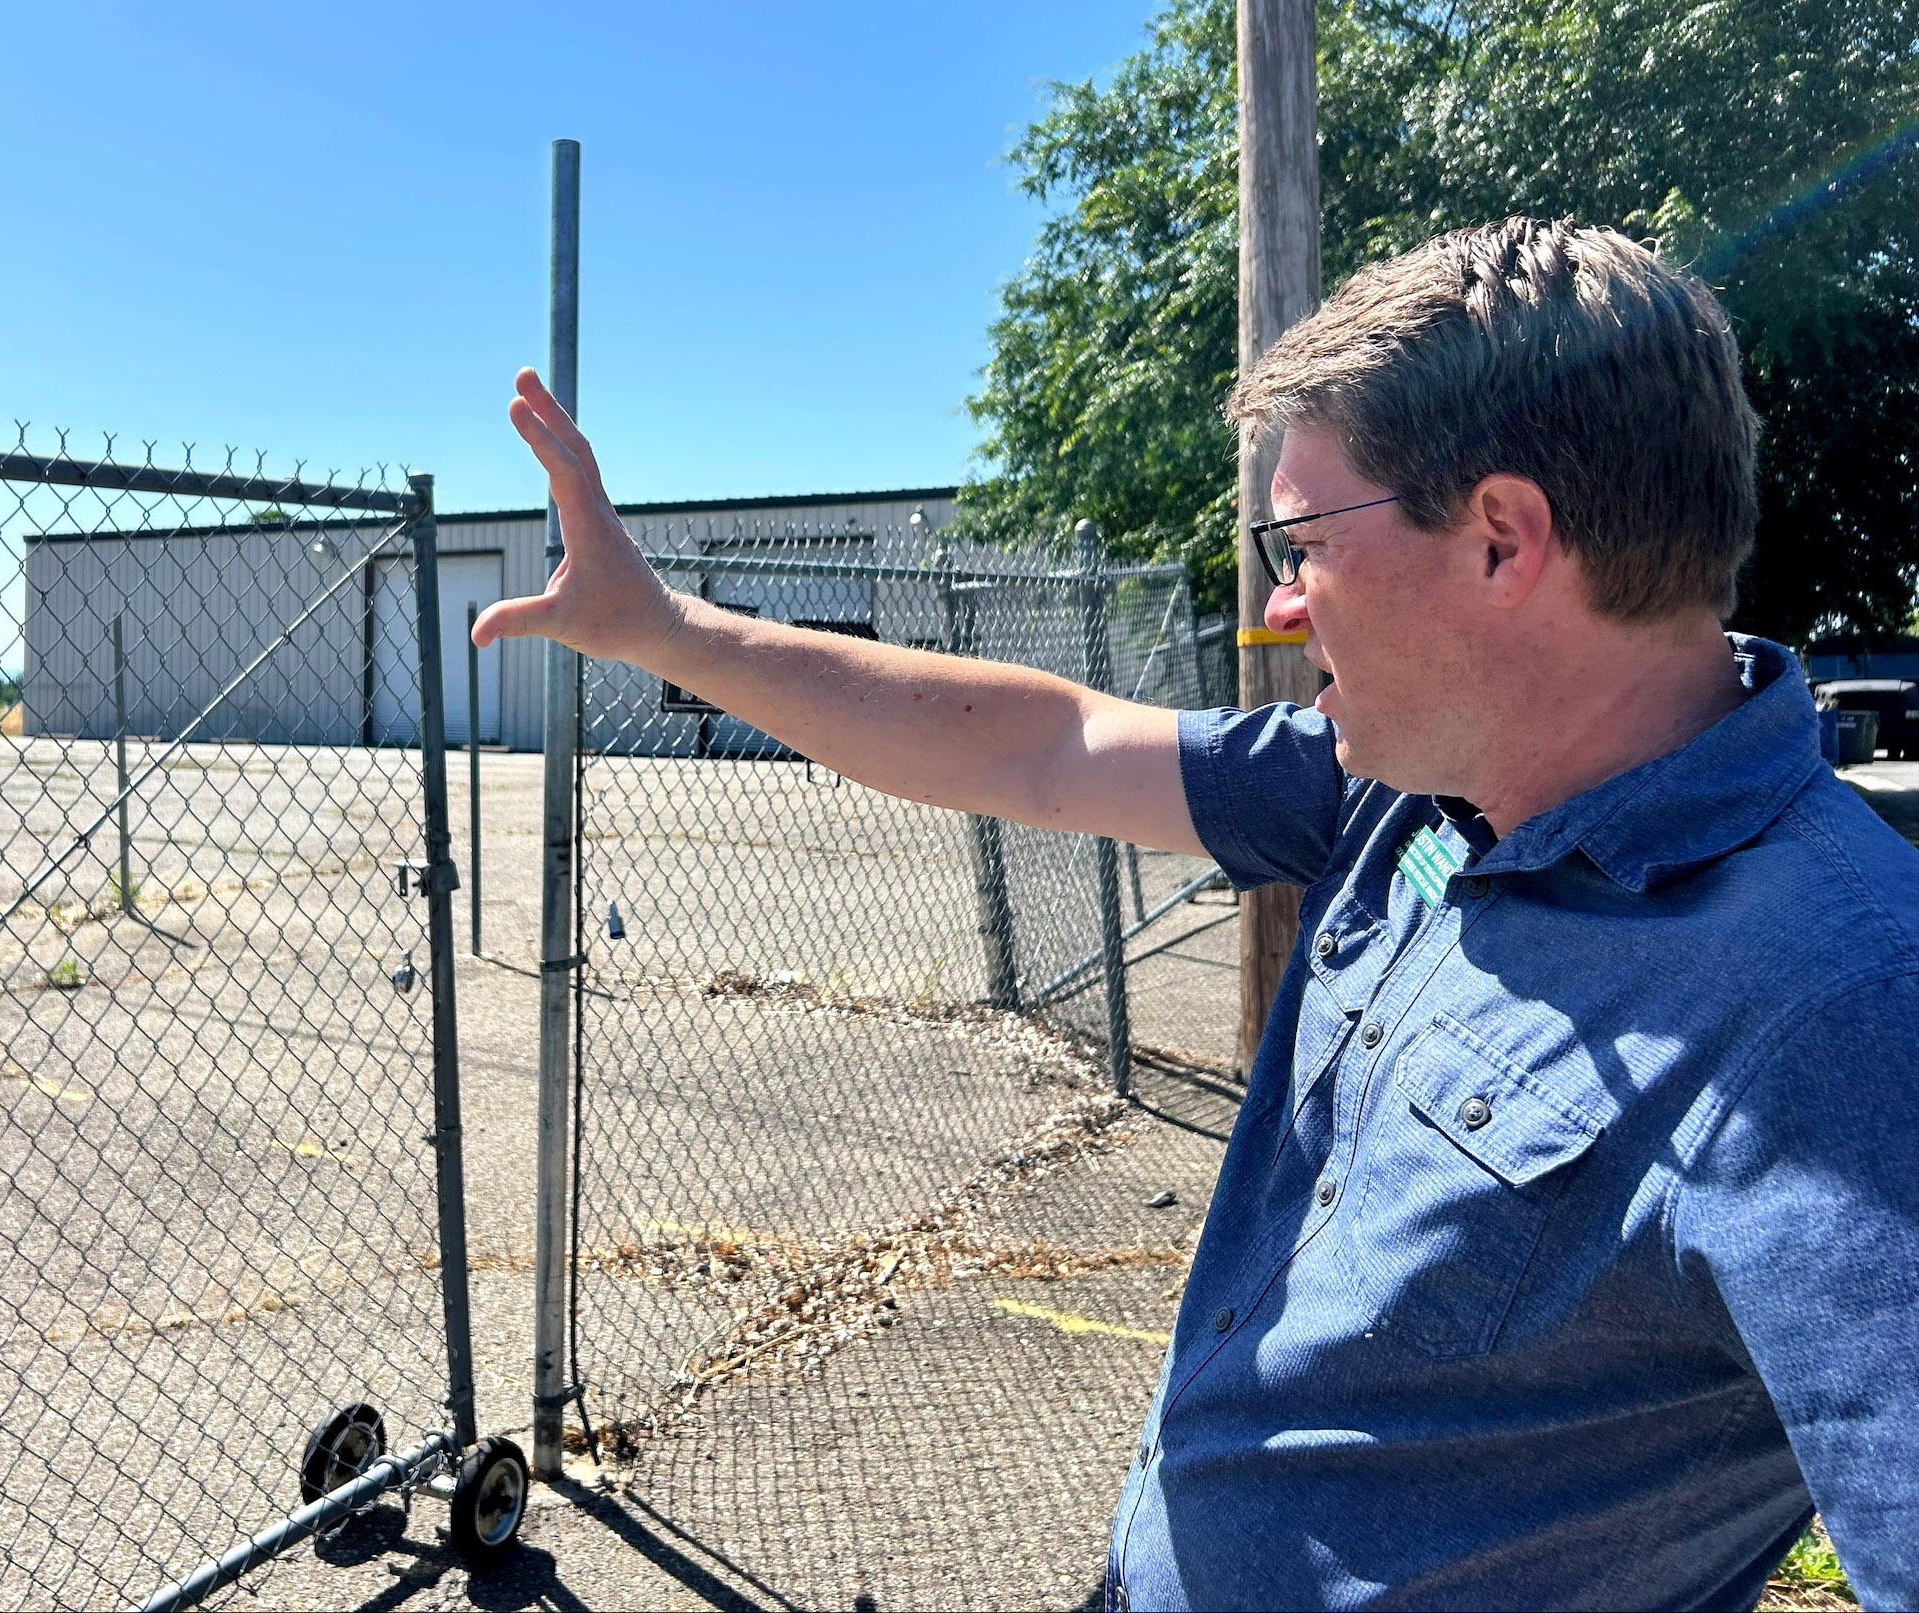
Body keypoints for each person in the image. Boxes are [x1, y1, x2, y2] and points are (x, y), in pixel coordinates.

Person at [473, 218, 1919, 1611]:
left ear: (1500, 540)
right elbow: (1035, 748)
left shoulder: (1844, 1011)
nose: (1283, 606)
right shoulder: (1413, 792)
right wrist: (665, 630)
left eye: (1304, 545)